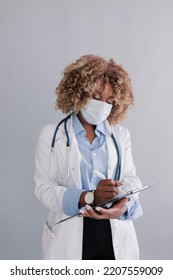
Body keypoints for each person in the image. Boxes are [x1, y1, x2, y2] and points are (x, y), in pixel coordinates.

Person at [34, 54, 143, 260]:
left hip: (113, 231)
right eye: (96, 97)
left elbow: (131, 179)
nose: (103, 105)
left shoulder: (120, 136)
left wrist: (123, 205)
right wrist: (90, 197)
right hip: (70, 232)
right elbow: (43, 189)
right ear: (79, 92)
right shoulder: (52, 135)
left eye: (110, 100)